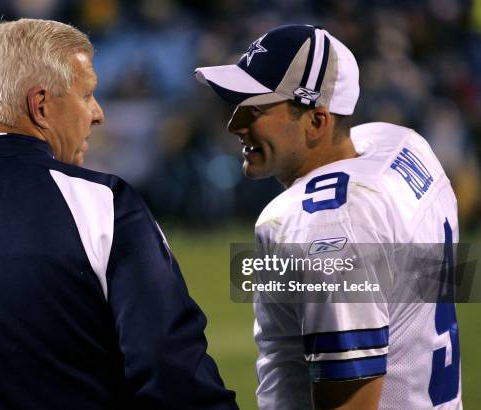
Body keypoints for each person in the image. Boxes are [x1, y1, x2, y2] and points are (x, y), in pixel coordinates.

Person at [0, 18, 238, 409]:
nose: (98, 113)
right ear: (41, 106)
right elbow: (172, 374)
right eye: (87, 95)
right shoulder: (103, 205)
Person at [195, 24, 461, 409]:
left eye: (256, 108)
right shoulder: (404, 147)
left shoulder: (326, 221)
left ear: (317, 121)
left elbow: (351, 401)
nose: (235, 124)